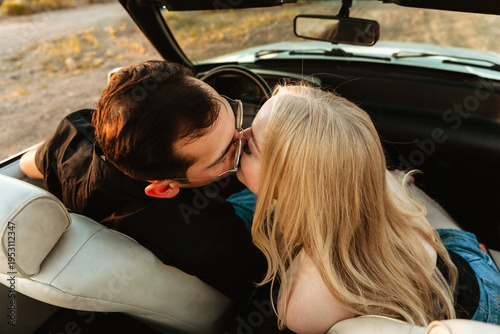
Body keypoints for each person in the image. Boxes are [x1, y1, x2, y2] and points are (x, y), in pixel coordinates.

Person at [235, 83, 500, 333]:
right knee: (400, 182)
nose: (239, 135)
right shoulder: (358, 175)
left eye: (249, 147)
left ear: (295, 183)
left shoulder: (299, 306)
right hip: (462, 262)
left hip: (476, 315)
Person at [19, 60, 265, 306]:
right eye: (227, 154)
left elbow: (25, 164)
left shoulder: (73, 136)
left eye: (233, 111)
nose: (247, 137)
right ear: (164, 188)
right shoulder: (217, 236)